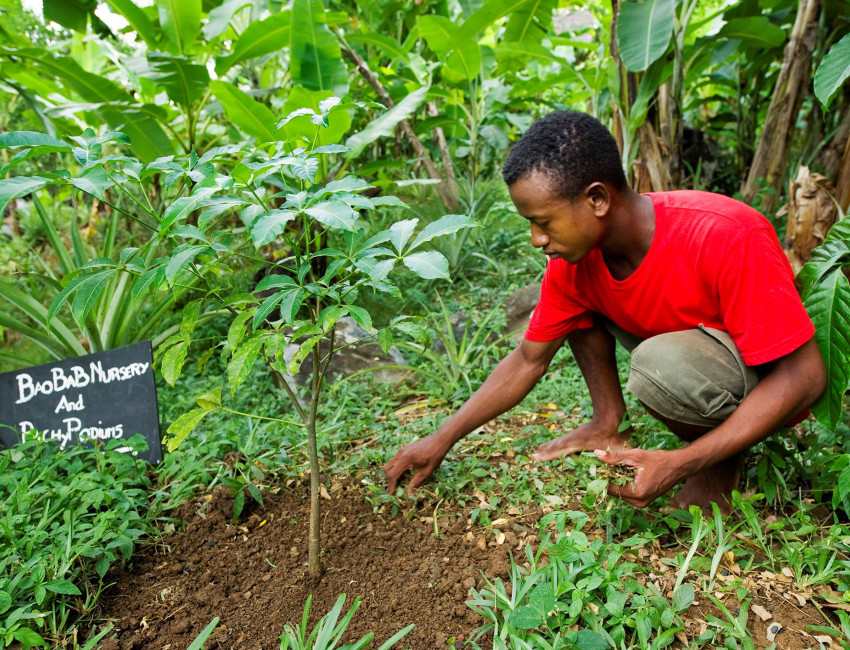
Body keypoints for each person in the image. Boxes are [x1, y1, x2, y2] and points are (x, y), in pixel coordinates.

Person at [383, 111, 826, 514]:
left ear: (597, 199)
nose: (537, 239)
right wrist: (440, 439)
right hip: (691, 358)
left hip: (763, 384)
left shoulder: (726, 233)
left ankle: (717, 472)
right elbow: (528, 359)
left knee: (659, 366)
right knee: (580, 306)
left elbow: (804, 375)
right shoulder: (573, 260)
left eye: (543, 221)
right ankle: (606, 421)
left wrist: (682, 463)